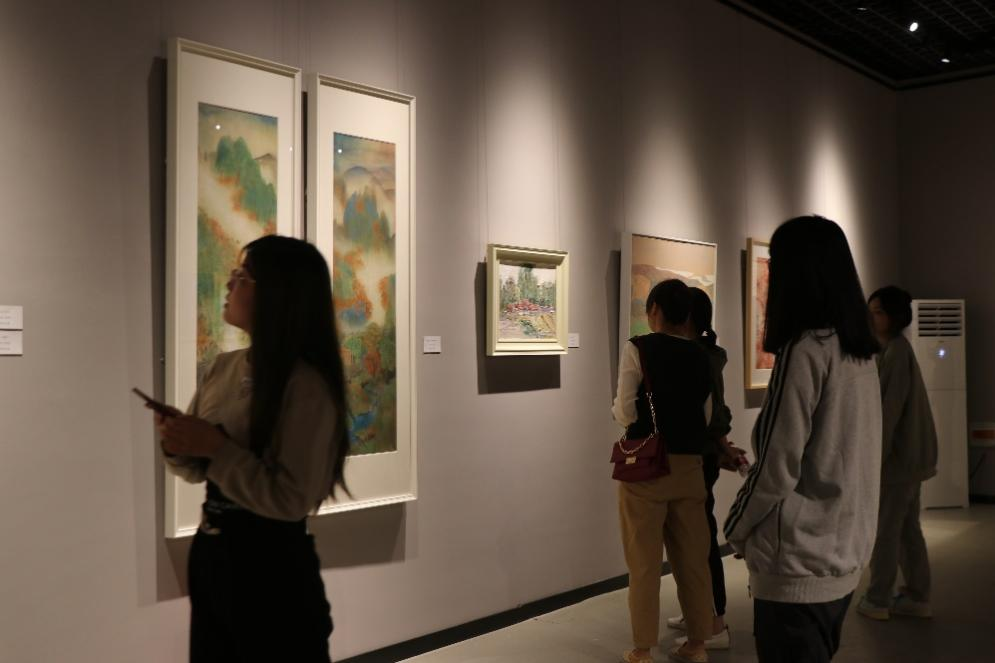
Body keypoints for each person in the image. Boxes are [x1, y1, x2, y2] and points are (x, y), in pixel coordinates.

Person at [153, 235, 348, 662]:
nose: (229, 284)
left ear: (276, 293)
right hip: (213, 555)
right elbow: (197, 468)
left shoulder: (306, 386)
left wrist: (215, 447)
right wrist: (178, 442)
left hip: (272, 570)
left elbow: (290, 499)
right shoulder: (223, 368)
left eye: (241, 276)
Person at [723, 216, 882, 663]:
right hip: (842, 555)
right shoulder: (858, 352)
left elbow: (777, 466)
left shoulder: (806, 349)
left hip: (797, 563)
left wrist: (736, 528)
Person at [612, 279, 715, 663]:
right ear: (686, 315)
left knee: (644, 563)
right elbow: (706, 414)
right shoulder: (700, 355)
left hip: (647, 468)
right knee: (693, 559)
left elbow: (625, 410)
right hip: (690, 466)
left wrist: (624, 417)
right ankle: (697, 644)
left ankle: (643, 649)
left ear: (654, 310)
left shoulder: (638, 348)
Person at [669, 287, 743, 652]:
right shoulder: (705, 354)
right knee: (692, 538)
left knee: (700, 540)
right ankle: (698, 612)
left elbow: (714, 414)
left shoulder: (699, 357)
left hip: (698, 458)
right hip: (701, 456)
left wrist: (722, 446)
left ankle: (714, 623)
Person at [858, 286, 938, 621]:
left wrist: (871, 462)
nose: (871, 317)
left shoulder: (895, 352)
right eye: (871, 310)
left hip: (897, 461)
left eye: (878, 312)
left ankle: (878, 598)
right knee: (906, 528)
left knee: (888, 531)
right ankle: (917, 595)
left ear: (894, 316)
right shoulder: (894, 349)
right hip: (908, 458)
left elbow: (887, 414)